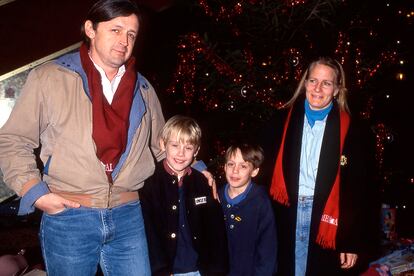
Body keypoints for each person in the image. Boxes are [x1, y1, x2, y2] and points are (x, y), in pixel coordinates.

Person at [0, 0, 186, 275]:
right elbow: (13, 139)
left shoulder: (144, 88)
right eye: (116, 29)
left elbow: (161, 146)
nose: (124, 40)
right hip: (69, 215)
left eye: (131, 34)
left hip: (128, 215)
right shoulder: (50, 77)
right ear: (90, 29)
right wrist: (35, 193)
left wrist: (196, 168)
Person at [263, 57, 377, 275]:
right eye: (313, 80)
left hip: (326, 218)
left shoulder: (355, 131)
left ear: (336, 90)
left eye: (326, 83)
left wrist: (350, 241)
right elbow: (257, 167)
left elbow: (360, 191)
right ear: (305, 83)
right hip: (284, 215)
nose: (318, 88)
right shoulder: (278, 122)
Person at [139, 115, 228, 276]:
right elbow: (148, 234)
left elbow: (216, 232)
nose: (181, 153)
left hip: (199, 270)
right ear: (162, 144)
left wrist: (216, 270)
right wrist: (160, 270)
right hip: (166, 271)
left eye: (188, 148)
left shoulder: (203, 183)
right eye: (174, 145)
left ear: (196, 150)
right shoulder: (148, 184)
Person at [219, 143, 277, 276]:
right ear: (224, 166)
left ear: (254, 171)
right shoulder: (216, 198)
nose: (235, 170)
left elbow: (268, 250)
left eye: (243, 166)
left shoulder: (261, 203)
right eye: (231, 164)